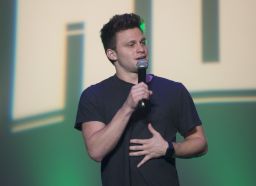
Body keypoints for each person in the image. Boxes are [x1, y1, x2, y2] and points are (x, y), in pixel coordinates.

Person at [75, 13, 208, 186]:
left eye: (142, 42)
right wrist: (127, 107)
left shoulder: (174, 90)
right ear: (112, 54)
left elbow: (200, 143)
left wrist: (168, 148)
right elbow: (96, 151)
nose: (141, 49)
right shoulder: (93, 95)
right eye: (131, 44)